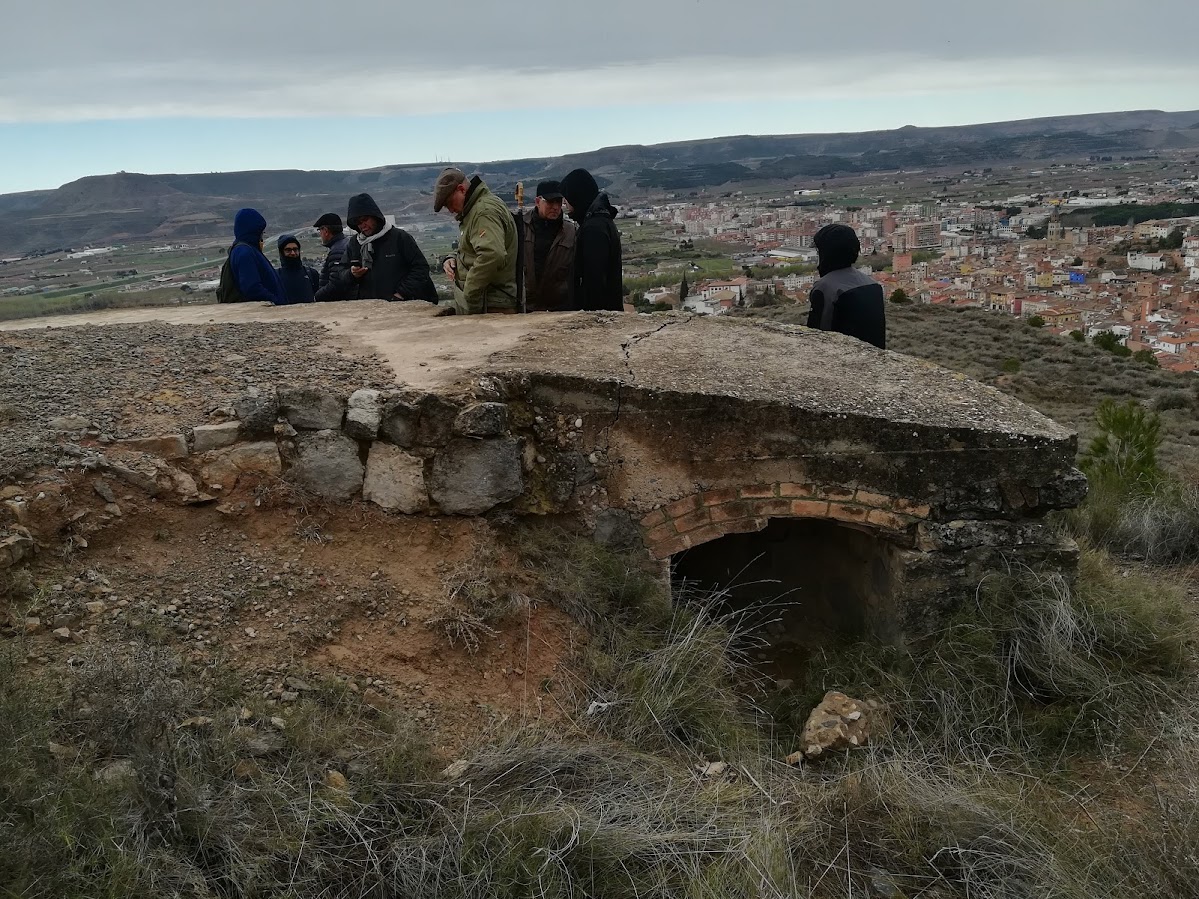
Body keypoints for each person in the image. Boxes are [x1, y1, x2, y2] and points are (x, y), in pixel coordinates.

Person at [433, 167, 519, 315]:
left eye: (449, 203)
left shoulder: (483, 212)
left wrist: (469, 293)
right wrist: (454, 258)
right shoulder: (476, 209)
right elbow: (475, 247)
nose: (450, 210)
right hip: (487, 302)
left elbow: (492, 254)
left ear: (461, 189)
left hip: (490, 305)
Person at [341, 193, 438, 302]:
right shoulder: (355, 243)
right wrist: (351, 274)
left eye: (365, 219)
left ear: (375, 216)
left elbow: (420, 268)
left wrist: (401, 294)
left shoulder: (399, 238)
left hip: (403, 305)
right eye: (357, 222)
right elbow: (340, 273)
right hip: (370, 309)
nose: (362, 225)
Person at [806, 224, 886, 349]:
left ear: (825, 253)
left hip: (838, 360)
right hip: (874, 359)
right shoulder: (872, 284)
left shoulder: (825, 288)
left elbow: (816, 335)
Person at [559, 169, 624, 311]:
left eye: (566, 199)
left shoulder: (593, 229)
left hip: (599, 317)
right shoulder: (600, 220)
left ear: (576, 196)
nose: (565, 205)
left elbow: (594, 280)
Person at [519, 180, 577, 311]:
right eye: (551, 202)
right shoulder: (520, 227)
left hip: (559, 309)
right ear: (538, 202)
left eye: (559, 202)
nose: (556, 207)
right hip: (525, 307)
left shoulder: (571, 231)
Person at [221, 208, 284, 304]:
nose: (262, 235)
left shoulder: (248, 249)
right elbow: (251, 288)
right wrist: (275, 301)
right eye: (261, 232)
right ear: (254, 231)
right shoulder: (244, 252)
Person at [312, 212, 352, 302]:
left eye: (320, 230)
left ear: (326, 231)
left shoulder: (337, 251)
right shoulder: (345, 243)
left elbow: (336, 284)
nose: (320, 234)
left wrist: (317, 296)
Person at [273, 234, 319, 305]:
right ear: (281, 252)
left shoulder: (311, 274)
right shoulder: (275, 276)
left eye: (295, 249)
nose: (293, 253)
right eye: (288, 250)